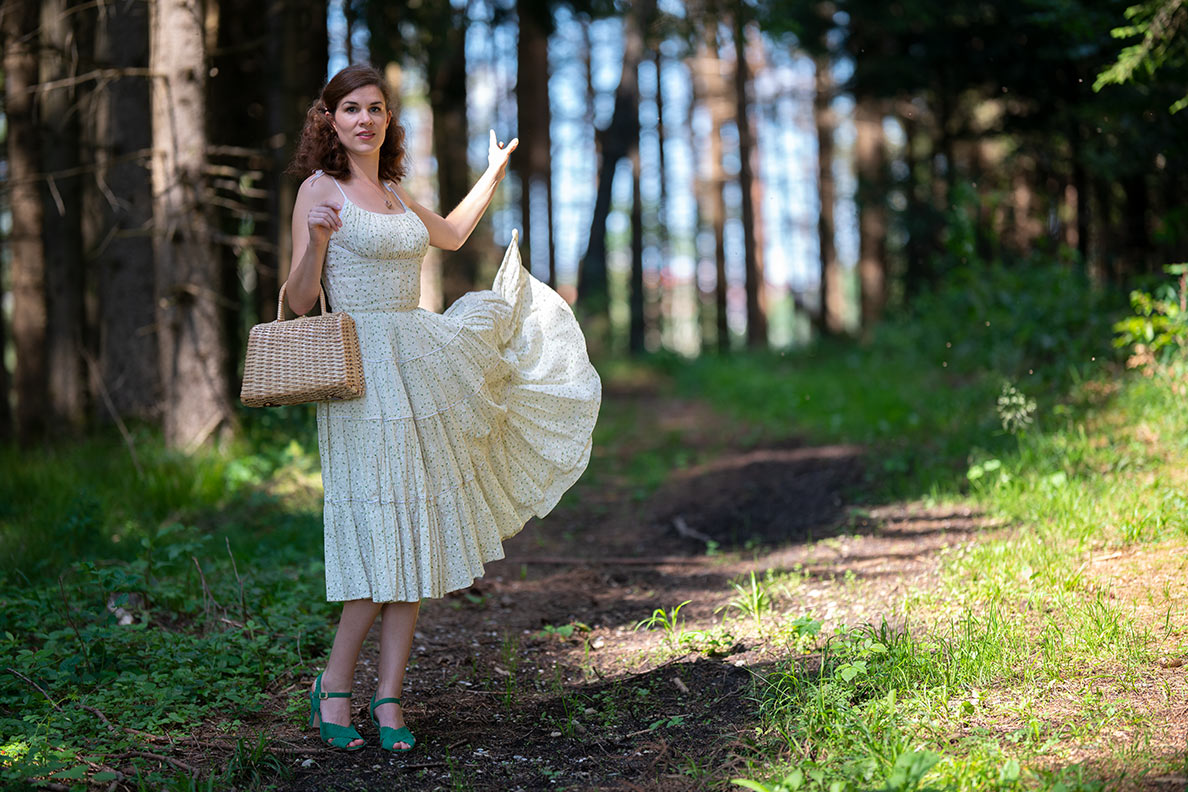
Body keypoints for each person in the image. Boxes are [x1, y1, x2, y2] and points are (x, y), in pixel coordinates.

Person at [284, 64, 601, 753]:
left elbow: (452, 235)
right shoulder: (320, 187)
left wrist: (493, 169)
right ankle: (335, 687)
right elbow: (300, 299)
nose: (364, 119)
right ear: (330, 119)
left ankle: (390, 700)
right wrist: (317, 240)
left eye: (375, 108)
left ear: (387, 119)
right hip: (358, 371)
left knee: (416, 534)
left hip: (415, 362)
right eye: (351, 109)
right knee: (380, 536)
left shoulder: (393, 190)